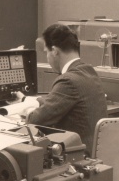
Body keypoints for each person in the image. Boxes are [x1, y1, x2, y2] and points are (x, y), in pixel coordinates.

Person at [15, 24, 108, 153]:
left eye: (46, 52)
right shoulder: (88, 70)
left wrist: (26, 110)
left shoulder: (68, 80)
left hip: (78, 155)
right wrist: (28, 100)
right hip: (95, 151)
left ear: (54, 51)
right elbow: (58, 100)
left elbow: (35, 121)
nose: (47, 57)